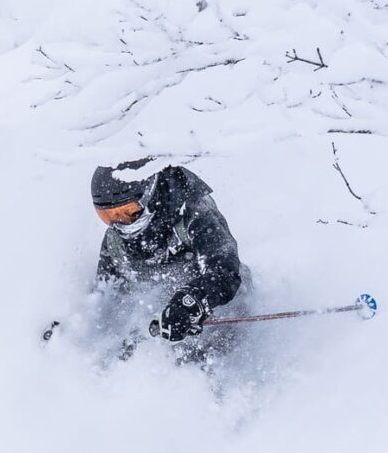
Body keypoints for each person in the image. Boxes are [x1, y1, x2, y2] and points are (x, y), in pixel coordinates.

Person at [60, 157, 250, 366]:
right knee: (122, 357)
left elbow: (224, 269)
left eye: (129, 211)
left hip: (223, 316)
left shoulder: (192, 210)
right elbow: (106, 301)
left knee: (203, 360)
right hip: (163, 329)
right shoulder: (115, 243)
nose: (121, 222)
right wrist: (73, 332)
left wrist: (191, 301)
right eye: (108, 215)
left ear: (148, 195)